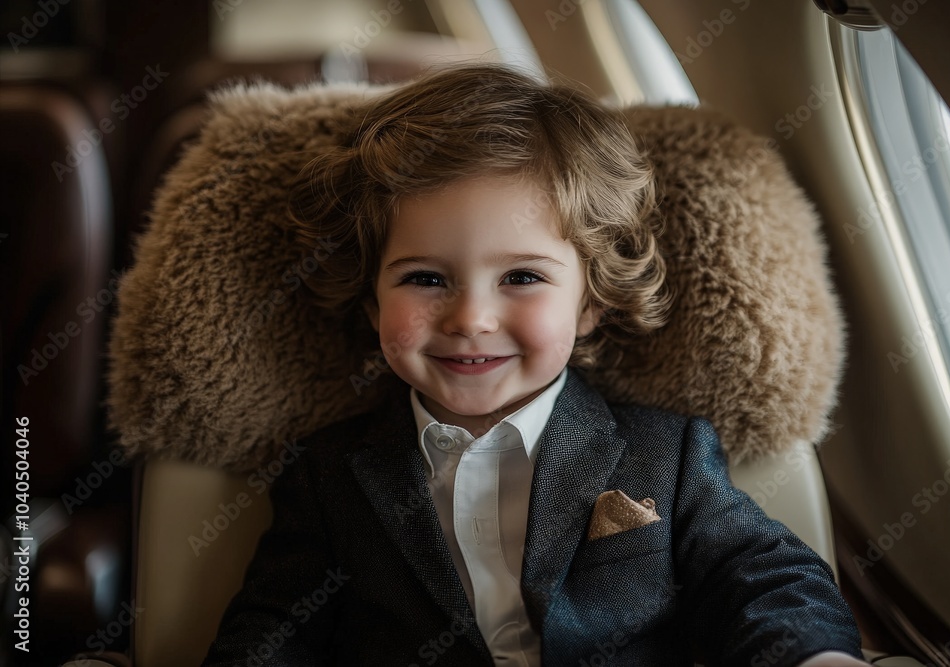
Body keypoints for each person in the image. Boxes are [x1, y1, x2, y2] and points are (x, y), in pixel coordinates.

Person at [202, 63, 868, 666]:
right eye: (426, 279)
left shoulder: (663, 452)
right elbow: (279, 622)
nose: (470, 318)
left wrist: (810, 657)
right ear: (372, 303)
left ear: (591, 302)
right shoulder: (329, 473)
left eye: (520, 275)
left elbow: (760, 573)